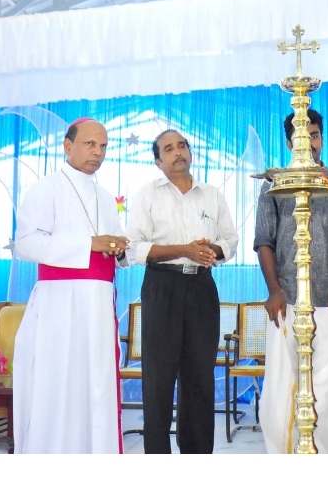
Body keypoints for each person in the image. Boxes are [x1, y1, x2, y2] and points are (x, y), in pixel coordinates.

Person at [13, 117, 129, 454]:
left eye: (103, 146)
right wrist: (89, 244)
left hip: (98, 306)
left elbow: (115, 245)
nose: (98, 152)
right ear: (67, 146)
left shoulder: (105, 197)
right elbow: (26, 244)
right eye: (90, 144)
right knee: (58, 384)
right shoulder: (45, 188)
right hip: (59, 305)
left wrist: (120, 250)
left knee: (96, 385)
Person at [254, 109, 328, 454]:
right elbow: (264, 241)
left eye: (314, 135)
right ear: (290, 144)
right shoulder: (274, 184)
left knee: (325, 388)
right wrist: (273, 291)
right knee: (280, 389)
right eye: (302, 137)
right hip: (285, 299)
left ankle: (319, 459)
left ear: (322, 138)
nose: (310, 143)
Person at [127, 129, 239, 454]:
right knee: (159, 378)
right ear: (157, 161)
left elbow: (230, 240)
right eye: (168, 149)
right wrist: (184, 250)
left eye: (182, 146)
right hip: (162, 286)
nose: (178, 152)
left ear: (190, 152)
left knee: (199, 376)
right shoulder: (147, 195)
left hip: (202, 287)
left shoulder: (212, 195)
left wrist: (210, 251)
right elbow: (135, 248)